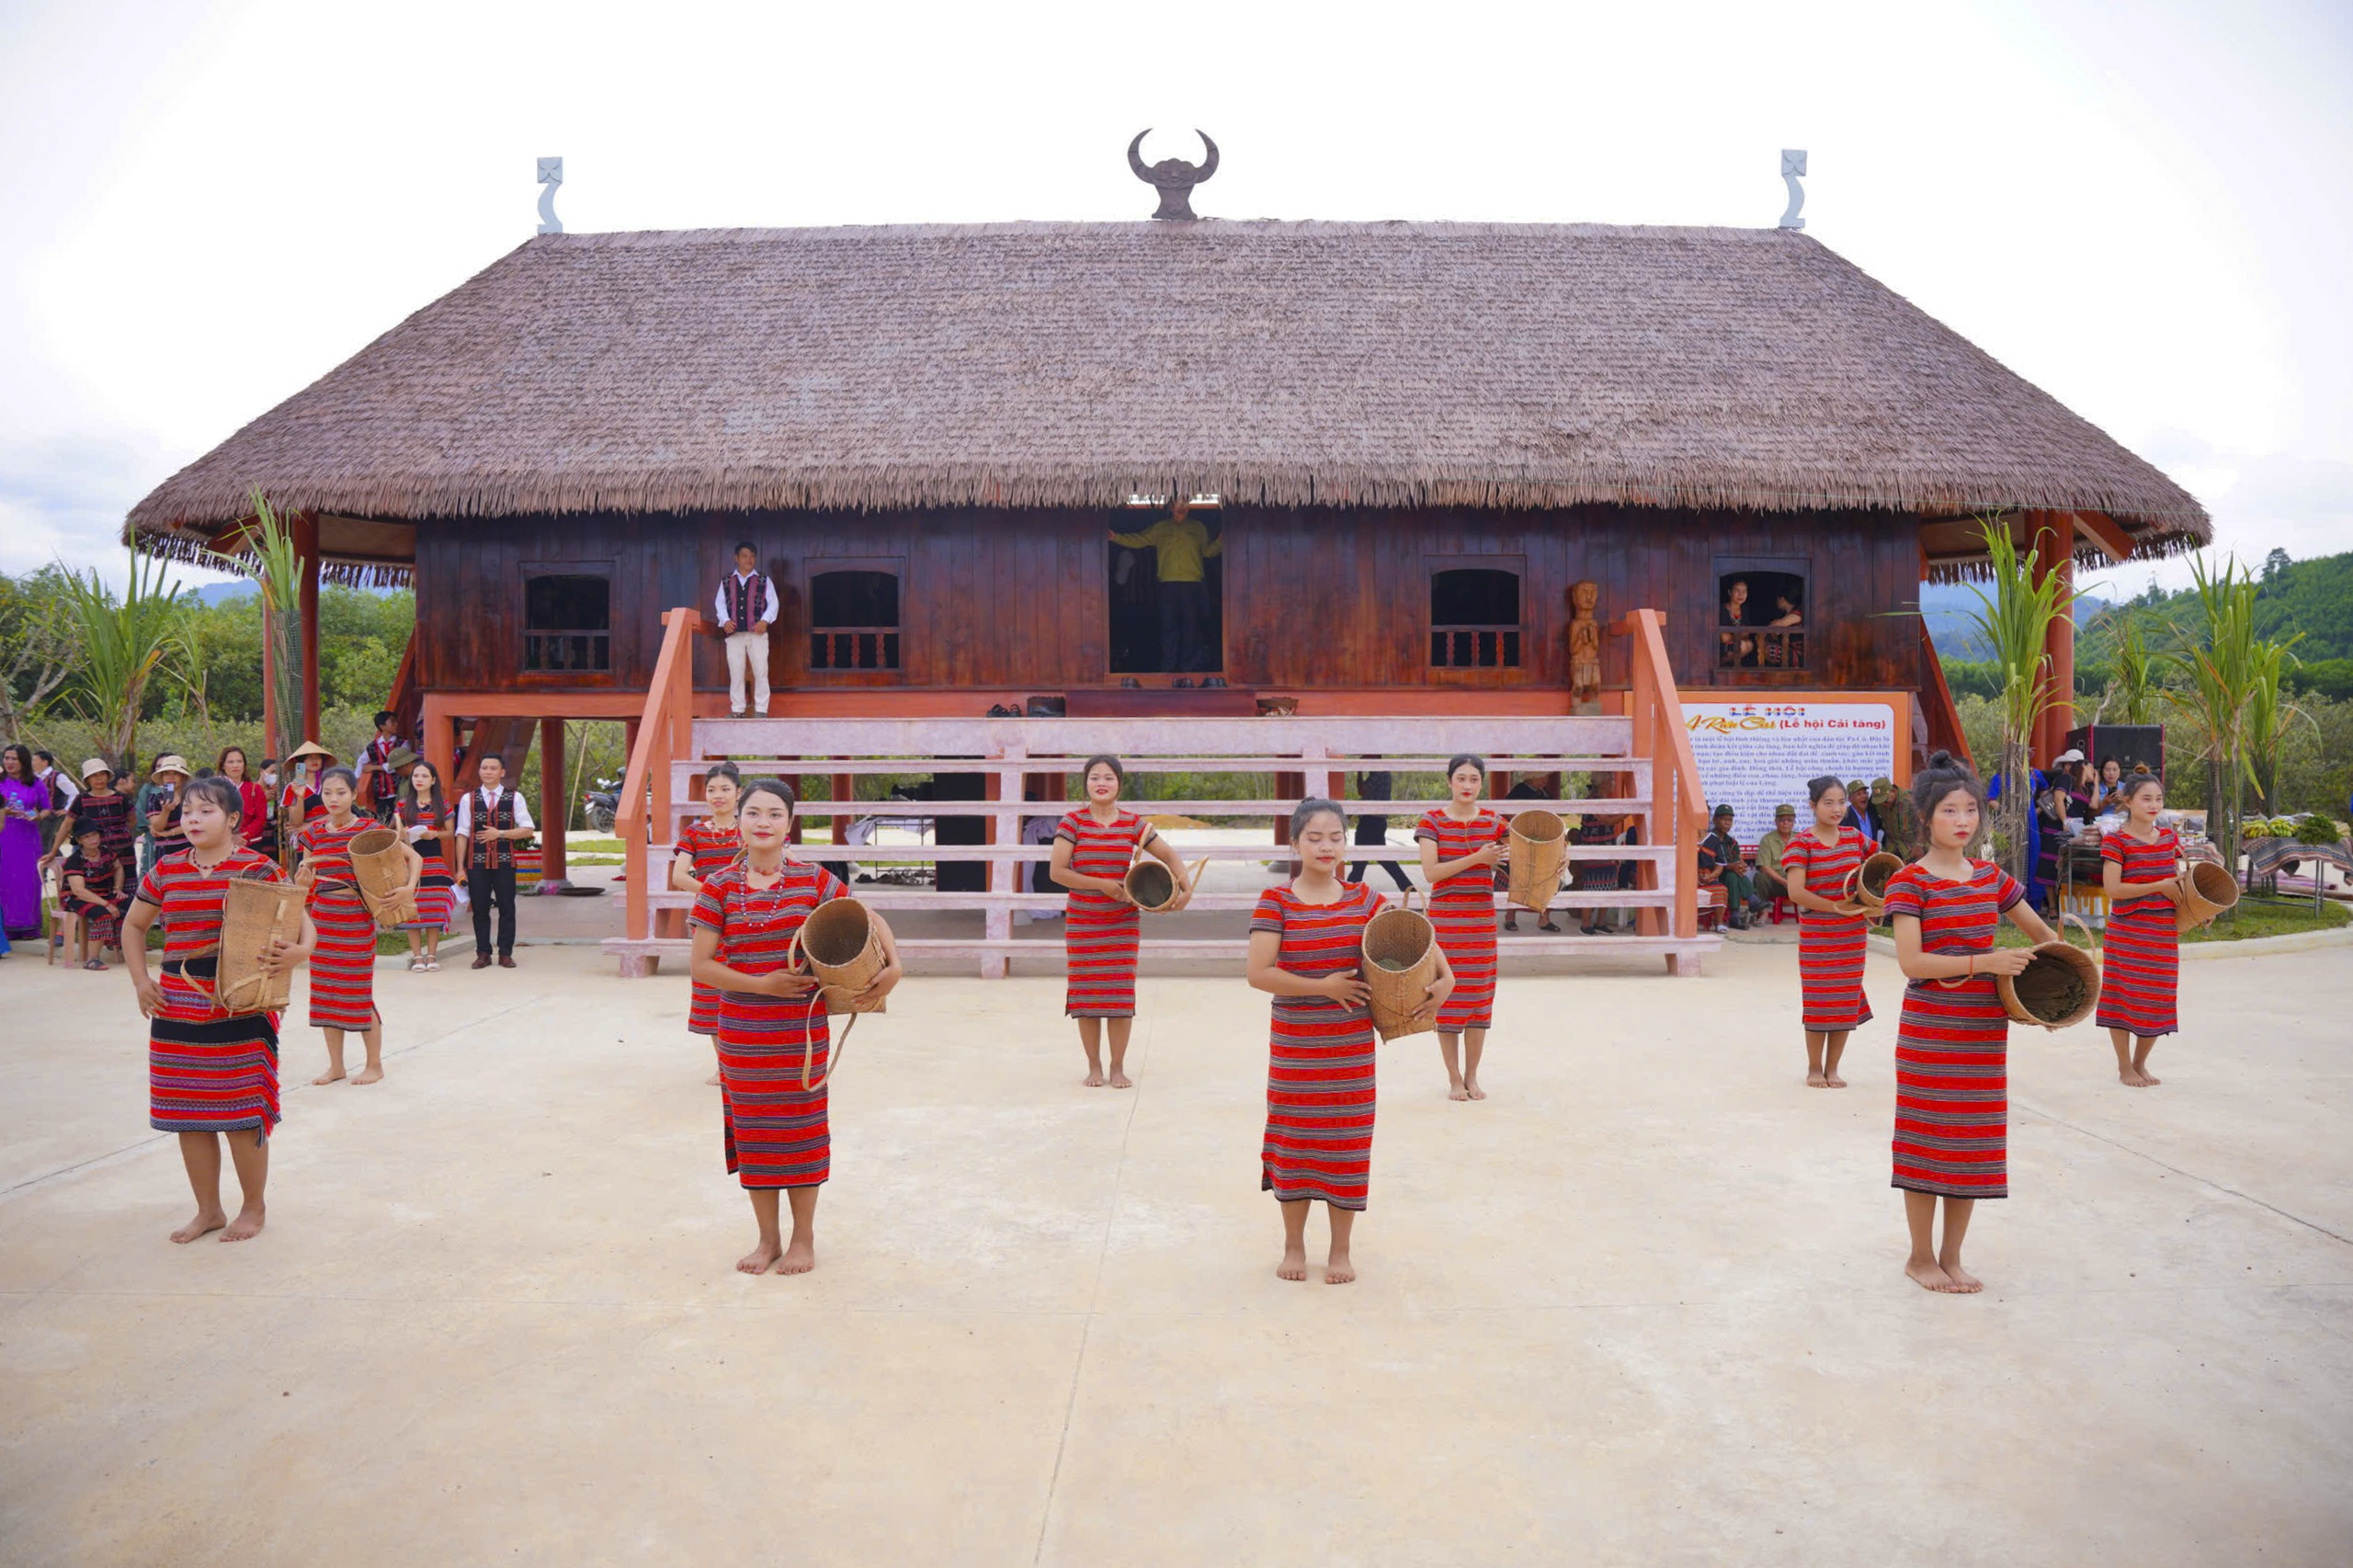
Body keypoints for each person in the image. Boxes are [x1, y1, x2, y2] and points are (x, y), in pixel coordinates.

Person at [689, 778, 904, 1276]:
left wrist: (895, 967)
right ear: (738, 820)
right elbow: (701, 965)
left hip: (800, 1031)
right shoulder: (718, 885)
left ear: (790, 824)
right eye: (753, 813)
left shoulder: (814, 881)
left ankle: (804, 1241)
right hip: (742, 1031)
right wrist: (761, 985)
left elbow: (867, 916)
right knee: (756, 1132)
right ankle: (767, 1241)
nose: (763, 823)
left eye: (774, 814)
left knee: (801, 1131)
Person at [1881, 750, 2061, 1294]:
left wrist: (2058, 991)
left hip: (1983, 1030)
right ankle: (1919, 1258)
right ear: (1926, 818)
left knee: (1970, 1144)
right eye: (1949, 811)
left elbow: (2045, 938)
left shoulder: (1991, 879)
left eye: (1970, 811)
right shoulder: (1909, 882)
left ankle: (1953, 1258)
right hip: (1931, 1030)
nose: (1962, 821)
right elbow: (1912, 964)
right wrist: (1984, 962)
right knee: (1926, 1142)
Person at [1248, 798, 1449, 1285]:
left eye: (1335, 837)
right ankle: (1293, 1245)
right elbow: (1258, 974)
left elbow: (1427, 947)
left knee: (1347, 1143)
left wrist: (1447, 984)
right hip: (1297, 1048)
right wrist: (1324, 987)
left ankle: (1341, 1250)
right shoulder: (1276, 902)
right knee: (1294, 1141)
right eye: (1314, 837)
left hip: (1350, 1050)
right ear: (1295, 843)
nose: (1326, 846)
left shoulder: (1365, 901)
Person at [120, 776, 317, 1244]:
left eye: (206, 811)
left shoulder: (259, 867)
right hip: (176, 1008)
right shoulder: (166, 870)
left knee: (243, 1113)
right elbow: (133, 926)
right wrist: (141, 982)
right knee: (188, 1112)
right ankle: (208, 1210)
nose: (192, 818)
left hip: (241, 1006)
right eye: (187, 810)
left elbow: (303, 924)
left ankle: (254, 1207)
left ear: (232, 819)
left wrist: (296, 954)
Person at [1050, 756, 1193, 1088]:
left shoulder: (1132, 824)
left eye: (1109, 778)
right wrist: (1100, 884)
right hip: (1084, 921)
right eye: (1095, 777)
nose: (1102, 783)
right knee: (1086, 997)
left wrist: (1186, 886)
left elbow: (1170, 856)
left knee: (1119, 995)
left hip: (1122, 921)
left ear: (1120, 785)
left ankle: (1117, 1067)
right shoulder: (1072, 823)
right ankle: (1094, 1067)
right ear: (1085, 783)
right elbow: (1057, 872)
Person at [296, 767, 415, 1087]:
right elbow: (305, 881)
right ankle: (336, 1066)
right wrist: (302, 885)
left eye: (341, 792)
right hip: (322, 918)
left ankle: (374, 1064)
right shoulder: (314, 833)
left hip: (355, 917)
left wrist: (408, 888)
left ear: (353, 795)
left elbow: (412, 857)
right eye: (328, 793)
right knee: (325, 993)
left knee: (356, 991)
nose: (334, 799)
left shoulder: (366, 829)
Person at [1416, 756, 1506, 1101]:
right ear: (1449, 781)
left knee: (1479, 1000)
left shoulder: (1495, 823)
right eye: (1461, 778)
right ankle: (1453, 1077)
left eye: (1474, 779)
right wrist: (1477, 859)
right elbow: (1431, 873)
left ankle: (1472, 1076)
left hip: (1481, 923)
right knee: (1446, 998)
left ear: (1480, 784)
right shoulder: (1432, 821)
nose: (1467, 785)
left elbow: (1523, 855)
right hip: (1446, 923)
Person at [1781, 778, 1875, 1088]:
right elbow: (1796, 892)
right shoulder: (1801, 843)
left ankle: (1833, 1068)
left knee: (1845, 998)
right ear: (1813, 806)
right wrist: (1835, 907)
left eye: (1841, 802)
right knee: (1819, 999)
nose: (1837, 809)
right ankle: (1813, 1067)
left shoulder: (1855, 838)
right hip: (1818, 935)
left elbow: (1881, 867)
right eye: (1828, 803)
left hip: (1852, 935)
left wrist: (1873, 905)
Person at [2098, 772, 2185, 1088]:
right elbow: (2113, 889)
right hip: (2127, 933)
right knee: (2122, 998)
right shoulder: (2116, 841)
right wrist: (2158, 885)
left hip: (2162, 932)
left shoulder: (2169, 839)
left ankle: (2140, 1063)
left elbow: (2179, 885)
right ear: (2128, 801)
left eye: (2158, 799)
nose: (2154, 805)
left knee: (2157, 998)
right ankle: (2124, 1066)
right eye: (2146, 798)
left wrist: (2200, 910)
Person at [672, 762, 745, 1084]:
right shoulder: (695, 832)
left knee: (748, 988)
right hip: (708, 921)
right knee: (710, 989)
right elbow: (678, 876)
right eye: (712, 790)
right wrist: (716, 893)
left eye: (725, 789)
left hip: (746, 918)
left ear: (739, 793)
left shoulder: (751, 829)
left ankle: (750, 1059)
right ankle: (725, 1064)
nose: (718, 796)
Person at [1108, 498, 1222, 672]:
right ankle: (1168, 667)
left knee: (1190, 626)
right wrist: (1115, 537)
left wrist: (1221, 541)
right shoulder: (1161, 528)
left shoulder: (1198, 528)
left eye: (1185, 503)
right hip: (1167, 584)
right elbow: (1139, 539)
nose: (1182, 507)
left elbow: (1208, 551)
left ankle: (1187, 668)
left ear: (1189, 507)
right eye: (1178, 503)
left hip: (1192, 584)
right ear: (1171, 506)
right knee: (1168, 626)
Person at [455, 753, 533, 968]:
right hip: (476, 863)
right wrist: (459, 867)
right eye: (484, 768)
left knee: (507, 907)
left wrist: (499, 834)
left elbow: (527, 829)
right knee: (480, 908)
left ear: (502, 772)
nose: (488, 772)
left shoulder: (514, 797)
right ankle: (483, 953)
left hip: (505, 862)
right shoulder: (467, 799)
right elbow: (462, 833)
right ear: (479, 771)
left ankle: (506, 953)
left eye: (493, 768)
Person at [397, 760, 458, 972]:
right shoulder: (403, 805)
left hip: (434, 861)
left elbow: (450, 833)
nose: (419, 780)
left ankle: (432, 954)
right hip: (409, 860)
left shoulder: (443, 805)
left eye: (424, 776)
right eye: (416, 776)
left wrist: (435, 834)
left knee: (434, 908)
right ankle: (417, 957)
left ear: (433, 780)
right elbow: (395, 833)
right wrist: (403, 833)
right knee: (412, 908)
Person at [714, 542, 779, 718]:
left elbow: (773, 603)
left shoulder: (764, 580)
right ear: (736, 558)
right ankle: (738, 709)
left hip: (757, 633)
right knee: (736, 672)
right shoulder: (727, 580)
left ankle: (761, 709)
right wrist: (725, 620)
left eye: (752, 556)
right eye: (744, 556)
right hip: (734, 634)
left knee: (761, 671)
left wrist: (765, 620)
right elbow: (720, 603)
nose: (749, 559)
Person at [60, 816, 132, 967]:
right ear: (79, 841)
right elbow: (79, 891)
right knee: (103, 915)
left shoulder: (107, 853)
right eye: (86, 837)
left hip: (104, 894)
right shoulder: (75, 860)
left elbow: (118, 867)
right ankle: (92, 959)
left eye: (94, 835)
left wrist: (118, 888)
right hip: (76, 898)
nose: (92, 839)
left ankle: (119, 943)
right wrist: (106, 904)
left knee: (133, 906)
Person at [63, 759, 137, 897]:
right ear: (88, 780)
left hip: (124, 852)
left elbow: (132, 820)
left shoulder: (122, 798)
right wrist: (53, 851)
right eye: (94, 775)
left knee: (127, 891)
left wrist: (118, 833)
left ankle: (129, 918)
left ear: (108, 776)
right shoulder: (81, 800)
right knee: (99, 891)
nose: (98, 778)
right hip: (95, 854)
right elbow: (66, 825)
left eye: (102, 774)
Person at [1501, 774, 1563, 934]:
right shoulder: (1520, 790)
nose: (1545, 781)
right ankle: (1510, 917)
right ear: (1530, 777)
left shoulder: (1544, 792)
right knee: (1516, 879)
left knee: (1546, 878)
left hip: (1542, 841)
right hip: (1522, 841)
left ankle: (1544, 918)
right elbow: (1507, 812)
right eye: (1541, 777)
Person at [0, 744, 49, 940]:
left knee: (28, 881)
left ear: (24, 762)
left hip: (28, 839)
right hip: (4, 836)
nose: (9, 762)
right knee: (5, 881)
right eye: (6, 758)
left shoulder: (36, 783)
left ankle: (29, 927)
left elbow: (47, 808)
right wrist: (4, 811)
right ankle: (7, 928)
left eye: (14, 759)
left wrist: (37, 816)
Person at [1347, 762, 1413, 893]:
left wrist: (1359, 771)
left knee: (1359, 862)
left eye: (1365, 757)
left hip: (1370, 823)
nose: (1362, 759)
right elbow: (1368, 798)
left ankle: (1347, 895)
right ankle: (1409, 891)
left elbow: (1361, 790)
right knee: (1378, 861)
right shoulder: (1380, 773)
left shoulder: (1378, 774)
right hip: (1375, 823)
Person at [1698, 804, 1764, 929]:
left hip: (1728, 876)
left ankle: (1736, 915)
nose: (1727, 823)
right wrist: (1729, 866)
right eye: (1724, 819)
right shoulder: (1709, 839)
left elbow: (1737, 861)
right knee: (1731, 875)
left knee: (1733, 875)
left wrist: (1740, 865)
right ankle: (1751, 901)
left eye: (1730, 820)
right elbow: (1710, 862)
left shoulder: (1732, 842)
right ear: (1715, 820)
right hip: (1713, 875)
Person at [1568, 810, 1629, 935]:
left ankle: (1600, 923)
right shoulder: (1592, 800)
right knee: (1591, 889)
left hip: (1607, 848)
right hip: (1593, 851)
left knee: (1608, 888)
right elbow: (1606, 820)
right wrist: (1629, 811)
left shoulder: (1608, 802)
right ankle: (1585, 925)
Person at [276, 741, 334, 866]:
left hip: (331, 834)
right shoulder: (292, 787)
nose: (314, 760)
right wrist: (300, 797)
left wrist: (309, 825)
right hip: (306, 840)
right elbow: (296, 823)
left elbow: (339, 811)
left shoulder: (331, 783)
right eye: (309, 758)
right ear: (301, 763)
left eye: (318, 757)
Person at [138, 756, 193, 873]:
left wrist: (169, 832)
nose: (171, 777)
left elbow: (194, 822)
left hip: (189, 847)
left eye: (175, 773)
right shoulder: (155, 798)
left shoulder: (192, 797)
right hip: (165, 850)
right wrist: (166, 811)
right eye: (166, 773)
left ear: (183, 777)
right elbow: (158, 827)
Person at [217, 746, 272, 854]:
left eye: (239, 761)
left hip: (251, 843)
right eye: (231, 762)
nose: (235, 765)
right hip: (223, 843)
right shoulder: (215, 789)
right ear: (223, 765)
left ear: (244, 765)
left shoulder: (255, 789)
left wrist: (244, 836)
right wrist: (230, 837)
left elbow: (261, 817)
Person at [355, 710, 405, 824]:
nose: (396, 724)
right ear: (382, 726)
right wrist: (355, 783)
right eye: (392, 722)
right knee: (384, 824)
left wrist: (375, 768)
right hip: (381, 793)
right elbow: (361, 762)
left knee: (401, 823)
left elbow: (396, 764)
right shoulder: (372, 746)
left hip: (400, 791)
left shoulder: (403, 744)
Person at [1755, 803, 1798, 902]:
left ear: (1794, 822)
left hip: (1796, 883)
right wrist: (1784, 882)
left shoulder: (1800, 839)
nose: (1785, 823)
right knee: (1760, 877)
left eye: (1789, 820)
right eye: (1782, 820)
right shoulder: (1767, 839)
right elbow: (1764, 867)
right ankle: (1763, 911)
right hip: (1775, 883)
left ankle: (1809, 913)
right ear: (1776, 822)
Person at [1873, 776, 1920, 863]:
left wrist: (1919, 846)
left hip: (1912, 849)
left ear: (1893, 791)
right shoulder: (1878, 804)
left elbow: (1925, 825)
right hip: (1891, 848)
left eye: (1885, 800)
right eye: (1880, 801)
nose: (1883, 804)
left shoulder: (1910, 802)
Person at [34, 749, 79, 813]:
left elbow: (74, 793)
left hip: (52, 818)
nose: (33, 763)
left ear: (45, 762)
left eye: (35, 760)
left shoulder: (57, 777)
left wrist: (67, 809)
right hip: (36, 816)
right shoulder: (34, 776)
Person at [1842, 779, 1881, 846]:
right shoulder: (1845, 817)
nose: (1863, 796)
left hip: (1873, 854)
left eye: (1865, 793)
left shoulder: (1873, 813)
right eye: (1858, 794)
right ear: (1850, 799)